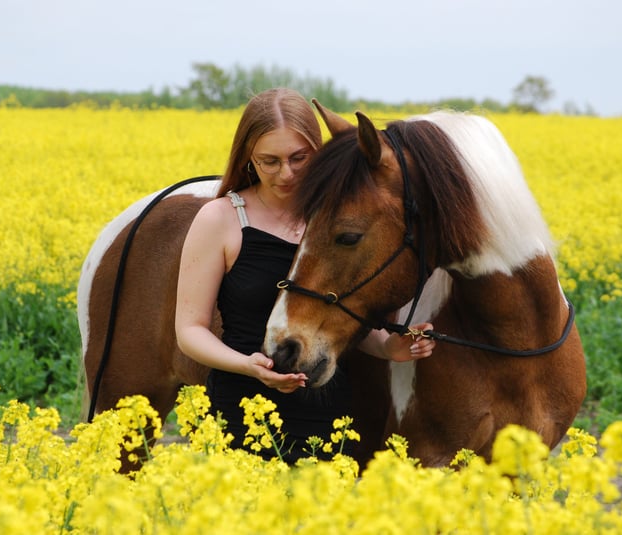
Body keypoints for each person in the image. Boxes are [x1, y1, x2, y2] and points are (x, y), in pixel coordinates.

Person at [175, 88, 435, 462]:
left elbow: (335, 307)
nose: (287, 173)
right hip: (243, 408)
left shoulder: (336, 218)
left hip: (328, 413)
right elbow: (189, 330)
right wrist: (248, 366)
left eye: (299, 158)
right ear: (248, 157)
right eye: (270, 161)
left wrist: (387, 347)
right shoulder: (220, 219)